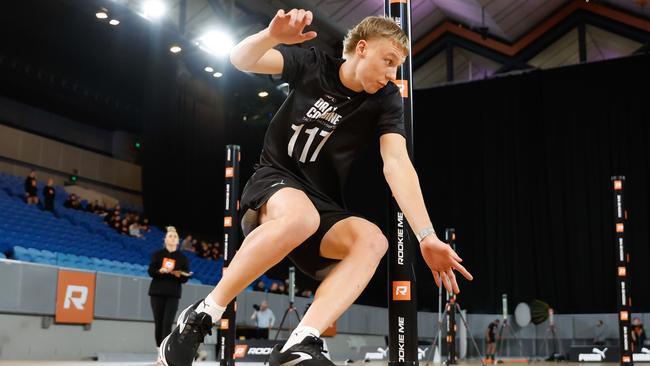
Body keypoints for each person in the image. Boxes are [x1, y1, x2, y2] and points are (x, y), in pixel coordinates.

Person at [159, 9, 472, 366]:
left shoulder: (384, 100)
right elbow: (239, 59)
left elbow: (396, 163)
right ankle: (202, 314)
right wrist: (270, 36)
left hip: (321, 204)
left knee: (373, 240)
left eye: (397, 66)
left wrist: (426, 236)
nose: (391, 74)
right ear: (362, 48)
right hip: (275, 182)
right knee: (301, 216)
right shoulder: (312, 64)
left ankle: (301, 341)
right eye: (388, 61)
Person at [148, 226, 192, 362]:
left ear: (178, 241)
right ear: (165, 239)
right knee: (159, 323)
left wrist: (179, 275)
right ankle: (158, 353)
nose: (172, 238)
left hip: (173, 293)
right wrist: (160, 271)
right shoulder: (157, 254)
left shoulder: (183, 258)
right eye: (170, 236)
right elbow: (150, 271)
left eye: (175, 236)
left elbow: (185, 278)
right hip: (156, 292)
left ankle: (164, 355)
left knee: (167, 324)